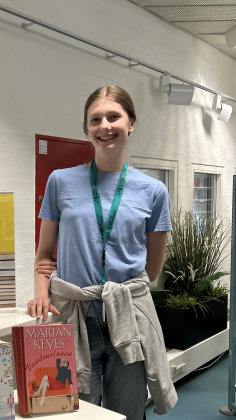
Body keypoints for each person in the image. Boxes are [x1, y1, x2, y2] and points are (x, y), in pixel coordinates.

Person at [27, 85, 177, 420]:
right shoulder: (60, 182)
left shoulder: (153, 191)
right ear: (86, 128)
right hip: (72, 316)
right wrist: (40, 293)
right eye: (95, 119)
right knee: (71, 411)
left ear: (131, 123)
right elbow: (44, 255)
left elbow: (151, 270)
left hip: (128, 315)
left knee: (128, 411)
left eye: (114, 116)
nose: (105, 126)